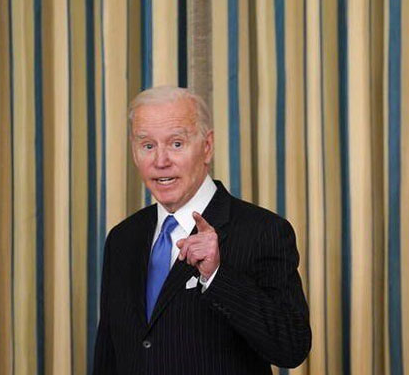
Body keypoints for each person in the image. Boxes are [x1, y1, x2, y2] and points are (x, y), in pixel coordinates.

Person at [93, 86, 311, 374]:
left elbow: (291, 347)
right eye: (148, 145)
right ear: (134, 152)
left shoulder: (263, 231)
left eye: (176, 144)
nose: (160, 161)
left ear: (206, 147)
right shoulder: (123, 238)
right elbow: (109, 354)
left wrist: (218, 276)